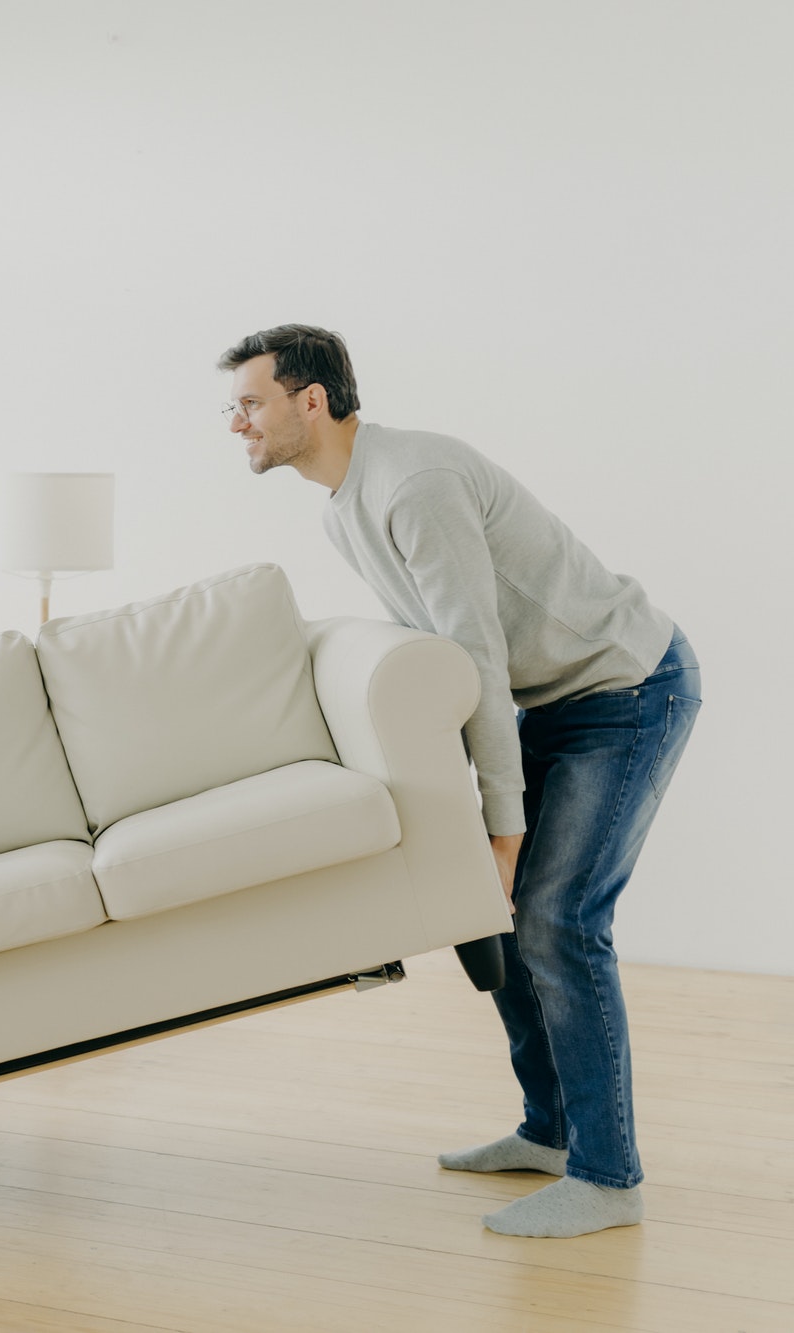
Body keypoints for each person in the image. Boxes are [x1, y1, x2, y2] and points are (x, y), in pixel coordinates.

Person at [218, 325, 700, 1238]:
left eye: (250, 402)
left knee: (557, 917)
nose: (235, 422)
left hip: (628, 688)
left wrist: (504, 828)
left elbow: (472, 652)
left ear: (309, 400)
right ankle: (552, 1130)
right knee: (501, 911)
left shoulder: (413, 485)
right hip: (554, 701)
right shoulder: (343, 506)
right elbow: (442, 655)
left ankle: (609, 1176)